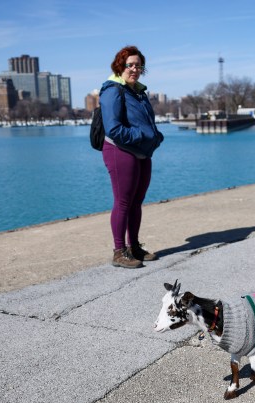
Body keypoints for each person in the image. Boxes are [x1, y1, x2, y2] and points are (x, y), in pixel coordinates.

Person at [100, 45, 164, 268]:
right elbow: (113, 129)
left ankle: (134, 246)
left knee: (137, 202)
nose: (135, 69)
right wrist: (143, 134)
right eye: (130, 65)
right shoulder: (113, 90)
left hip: (142, 152)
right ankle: (119, 252)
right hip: (120, 151)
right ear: (121, 66)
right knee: (123, 202)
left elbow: (145, 123)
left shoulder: (138, 91)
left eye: (138, 65)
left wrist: (155, 136)